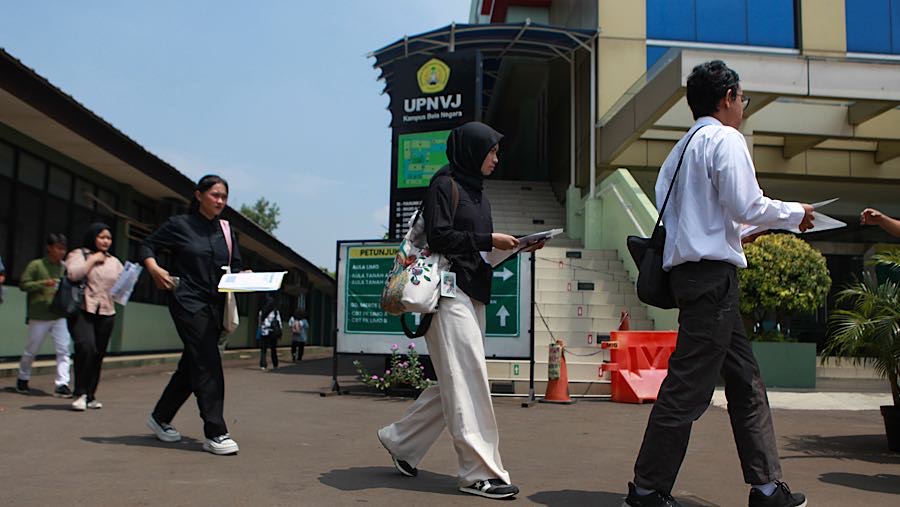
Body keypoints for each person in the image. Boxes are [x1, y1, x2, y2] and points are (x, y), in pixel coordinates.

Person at [622, 61, 813, 507]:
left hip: (692, 276)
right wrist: (793, 214)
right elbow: (746, 203)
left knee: (746, 382)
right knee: (687, 386)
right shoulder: (725, 138)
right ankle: (648, 488)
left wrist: (744, 233)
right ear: (727, 97)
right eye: (742, 99)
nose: (742, 108)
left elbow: (697, 224)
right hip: (713, 281)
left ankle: (766, 487)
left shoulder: (679, 151)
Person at [377, 122, 542, 500]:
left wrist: (516, 246)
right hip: (446, 296)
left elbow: (477, 250)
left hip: (471, 291)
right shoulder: (444, 184)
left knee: (459, 378)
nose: (496, 159)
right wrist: (488, 238)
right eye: (491, 151)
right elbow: (440, 237)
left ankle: (400, 441)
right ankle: (477, 473)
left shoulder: (478, 194)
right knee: (468, 380)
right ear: (471, 150)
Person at [139, 174, 243, 456]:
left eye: (224, 197)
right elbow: (146, 245)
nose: (220, 201)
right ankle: (216, 432)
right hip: (186, 301)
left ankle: (160, 417)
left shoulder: (227, 231)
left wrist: (246, 277)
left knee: (193, 362)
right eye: (215, 195)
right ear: (199, 195)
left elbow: (237, 266)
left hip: (215, 305)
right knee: (207, 361)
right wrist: (154, 268)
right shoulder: (179, 225)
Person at [65, 223, 124, 411]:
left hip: (107, 311)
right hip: (83, 309)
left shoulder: (114, 261)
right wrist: (92, 260)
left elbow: (122, 288)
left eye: (109, 238)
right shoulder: (78, 254)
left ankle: (90, 395)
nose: (106, 241)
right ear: (93, 237)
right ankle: (80, 393)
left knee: (98, 353)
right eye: (102, 237)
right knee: (86, 347)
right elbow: (73, 274)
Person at [15, 233, 73, 397]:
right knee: (32, 350)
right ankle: (22, 378)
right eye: (58, 248)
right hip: (39, 315)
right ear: (49, 248)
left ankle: (62, 383)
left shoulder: (64, 267)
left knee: (63, 349)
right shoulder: (36, 265)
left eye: (64, 248)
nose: (62, 252)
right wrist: (43, 283)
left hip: (59, 315)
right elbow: (23, 284)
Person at [257, 293, 281, 371]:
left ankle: (263, 365)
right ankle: (275, 364)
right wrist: (280, 332)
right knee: (273, 349)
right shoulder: (275, 312)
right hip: (273, 332)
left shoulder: (262, 312)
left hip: (264, 332)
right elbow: (279, 322)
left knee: (263, 350)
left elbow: (260, 323)